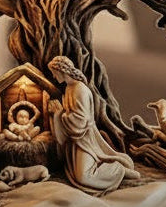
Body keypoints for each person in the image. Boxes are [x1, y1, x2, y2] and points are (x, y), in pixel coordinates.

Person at [48, 55, 139, 192]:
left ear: (61, 71)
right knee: (79, 174)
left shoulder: (80, 89)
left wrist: (60, 113)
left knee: (84, 177)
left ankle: (119, 170)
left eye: (54, 73)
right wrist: (59, 114)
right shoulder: (69, 88)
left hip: (85, 140)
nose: (54, 77)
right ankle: (113, 170)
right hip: (76, 140)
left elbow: (82, 120)